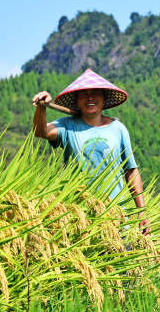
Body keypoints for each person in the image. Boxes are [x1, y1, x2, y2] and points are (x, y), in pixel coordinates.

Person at [32, 68, 150, 235]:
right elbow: (40, 131)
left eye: (95, 93)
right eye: (84, 94)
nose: (90, 98)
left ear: (103, 98)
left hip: (116, 216)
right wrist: (41, 108)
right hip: (78, 216)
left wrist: (141, 211)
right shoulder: (67, 126)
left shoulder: (118, 129)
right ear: (77, 101)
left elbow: (131, 171)